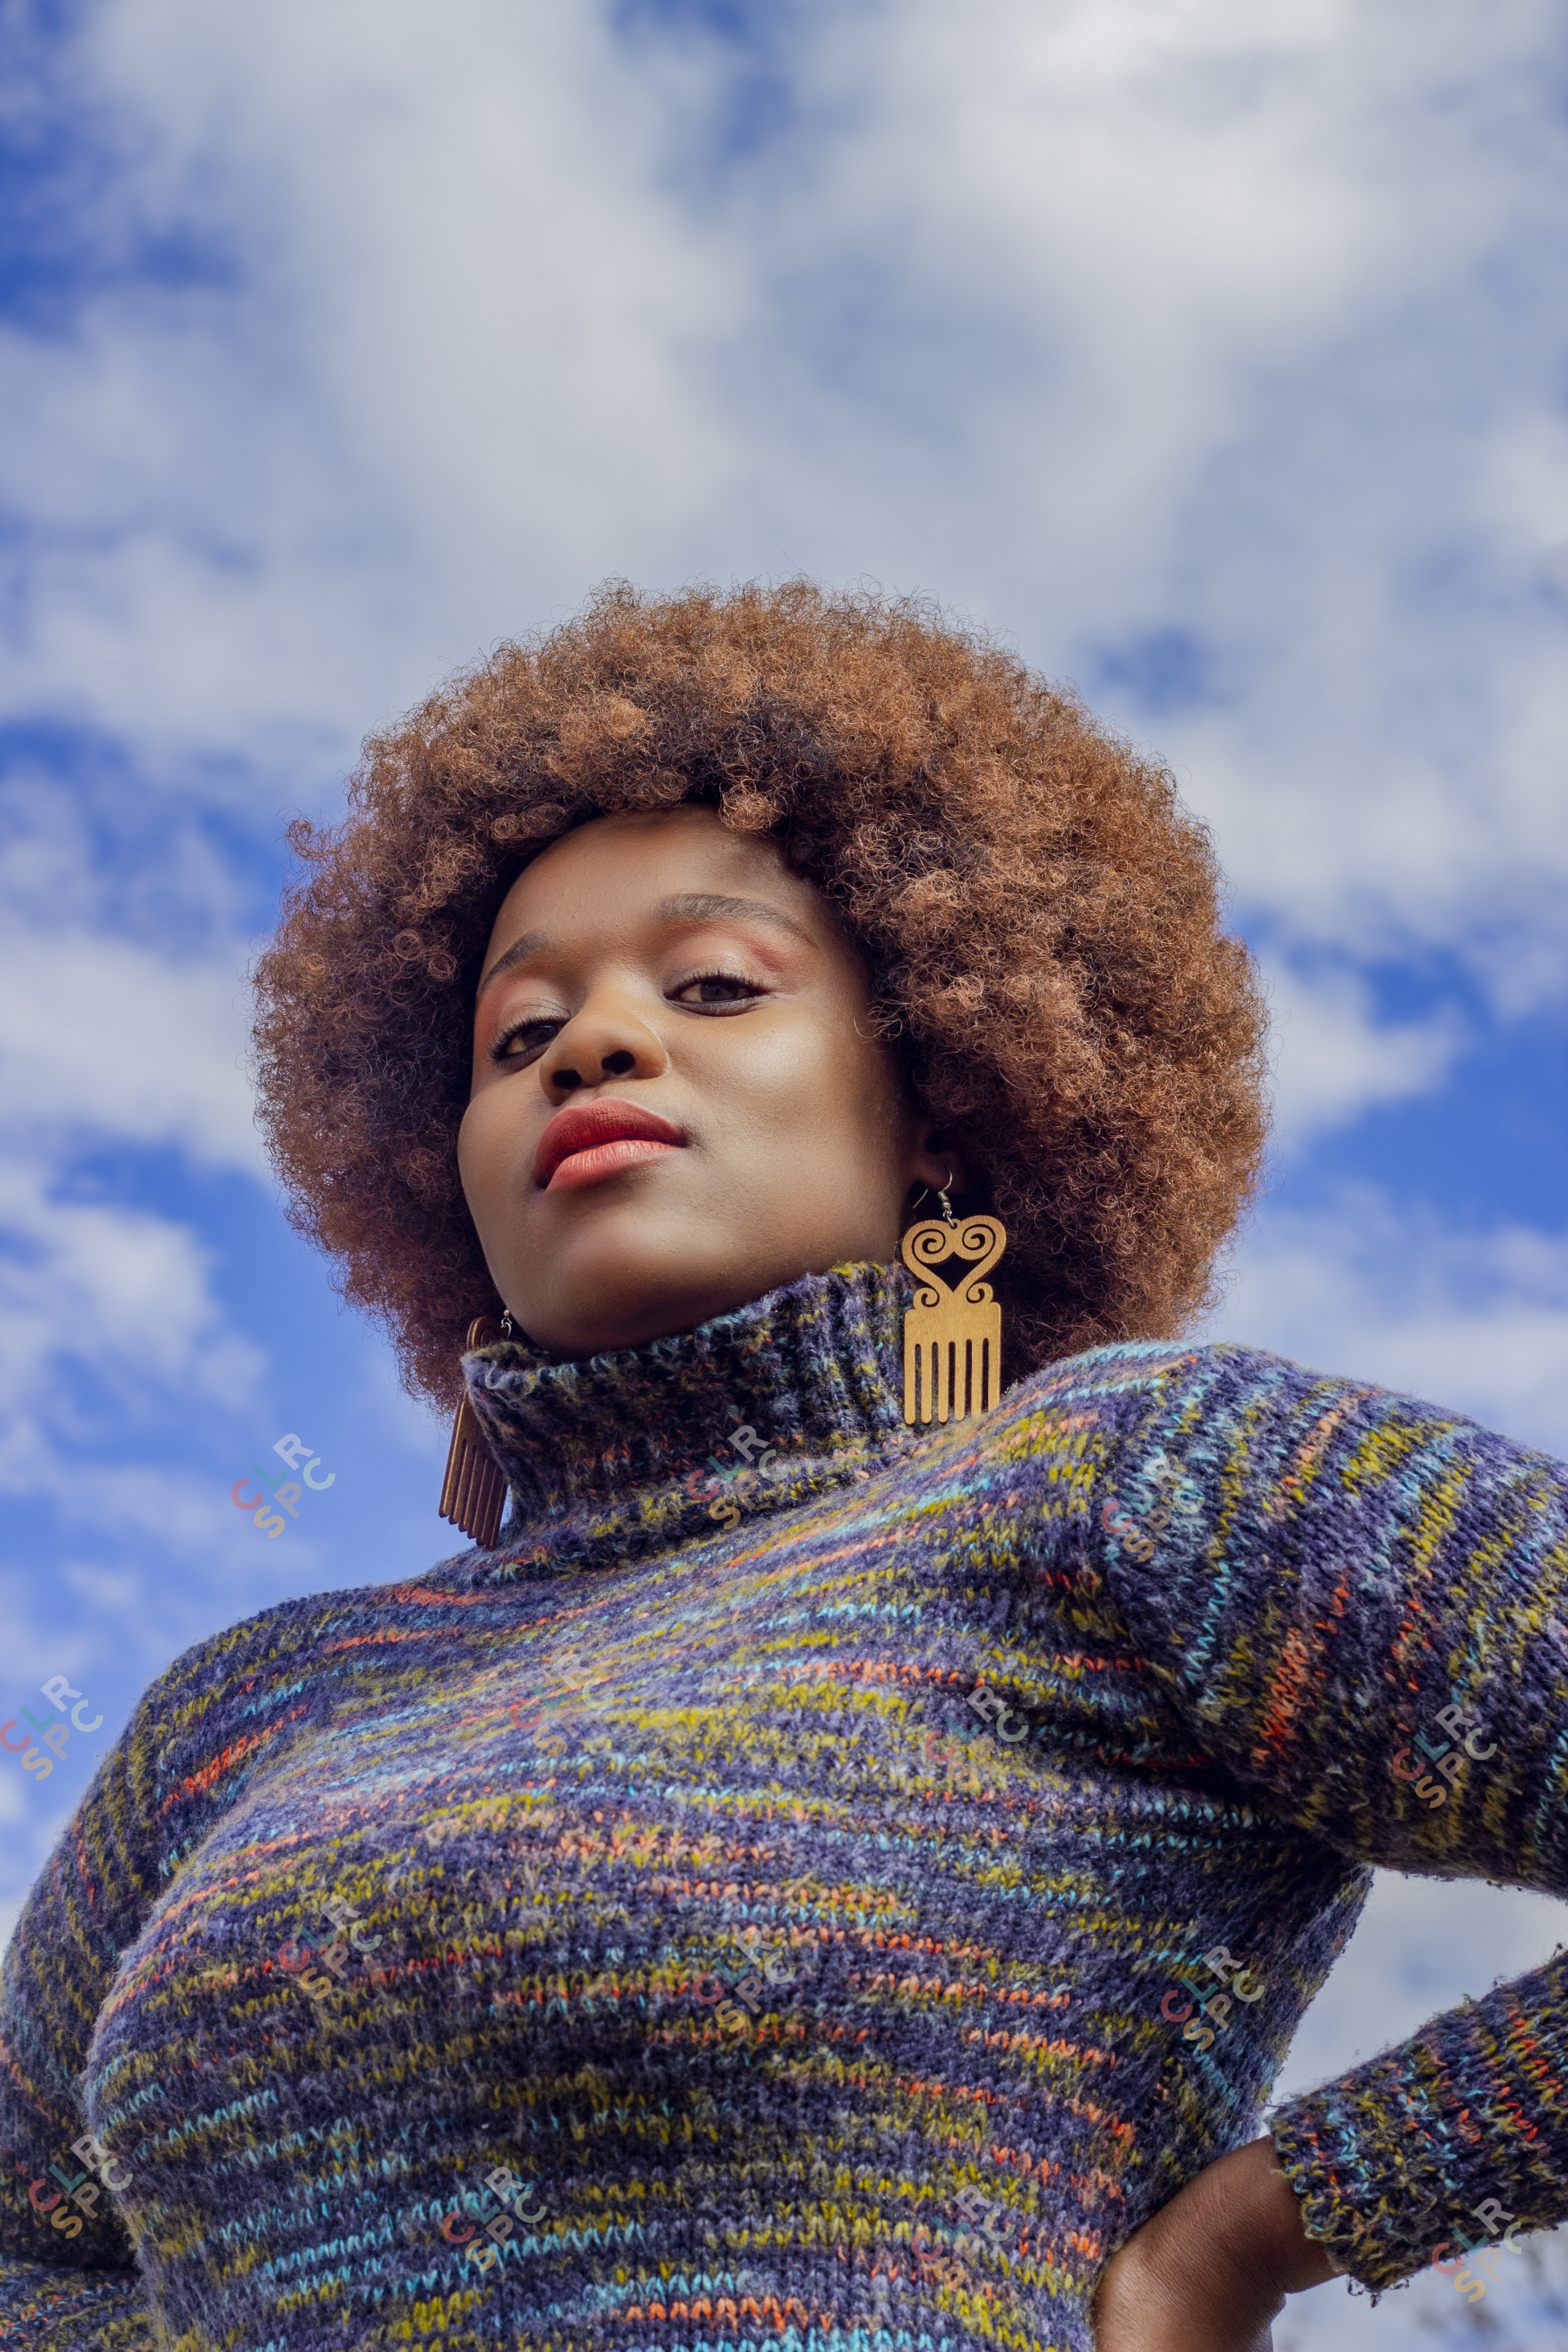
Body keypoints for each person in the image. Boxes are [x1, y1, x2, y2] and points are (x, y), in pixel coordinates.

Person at [0, 579, 1561, 2352]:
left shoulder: (1142, 1488)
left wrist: (1252, 2237)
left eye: (716, 985)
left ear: (943, 1104)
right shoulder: (238, 1716)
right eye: (518, 1034)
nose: (593, 1042)